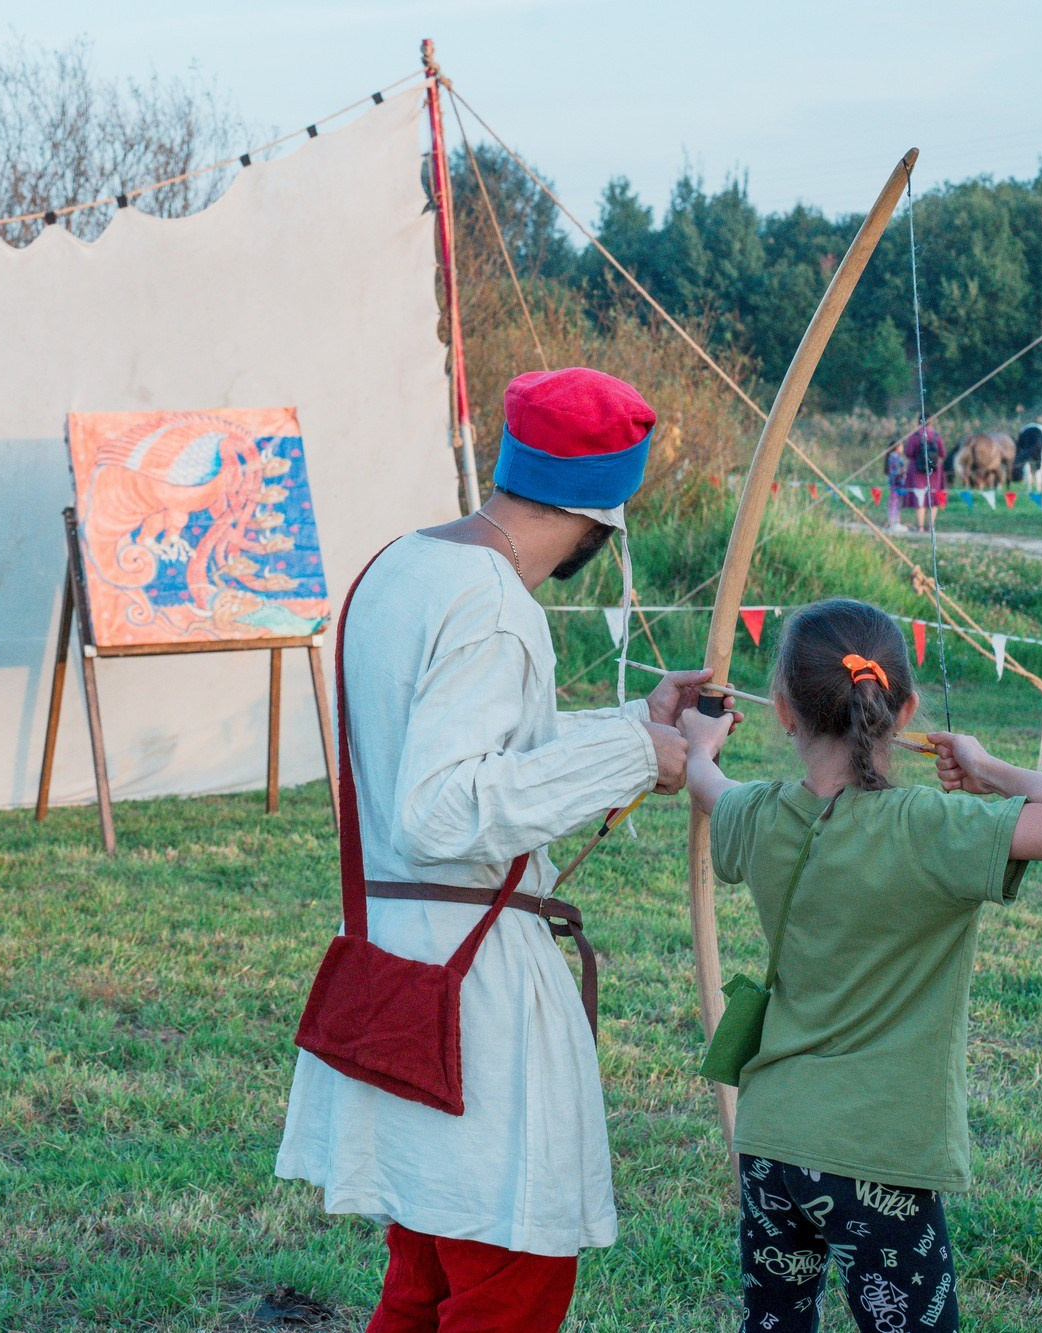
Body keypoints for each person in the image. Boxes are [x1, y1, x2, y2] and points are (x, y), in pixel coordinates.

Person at [277, 368, 724, 1332]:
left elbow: (467, 744)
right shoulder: (492, 603)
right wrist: (626, 755)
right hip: (464, 987)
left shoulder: (405, 563)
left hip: (409, 958)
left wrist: (628, 730)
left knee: (428, 1278)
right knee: (512, 1282)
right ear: (606, 513)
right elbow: (441, 808)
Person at [676, 598, 1042, 1333]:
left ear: (783, 710)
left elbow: (706, 787)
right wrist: (986, 766)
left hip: (772, 1145)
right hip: (880, 1159)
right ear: (901, 710)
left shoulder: (759, 813)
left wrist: (698, 741)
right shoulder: (931, 826)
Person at [902, 425, 945, 534]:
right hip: (934, 470)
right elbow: (943, 453)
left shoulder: (915, 436)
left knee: (919, 496)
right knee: (934, 496)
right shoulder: (937, 436)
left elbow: (908, 453)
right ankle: (931, 526)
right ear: (932, 422)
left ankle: (920, 527)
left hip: (917, 470)